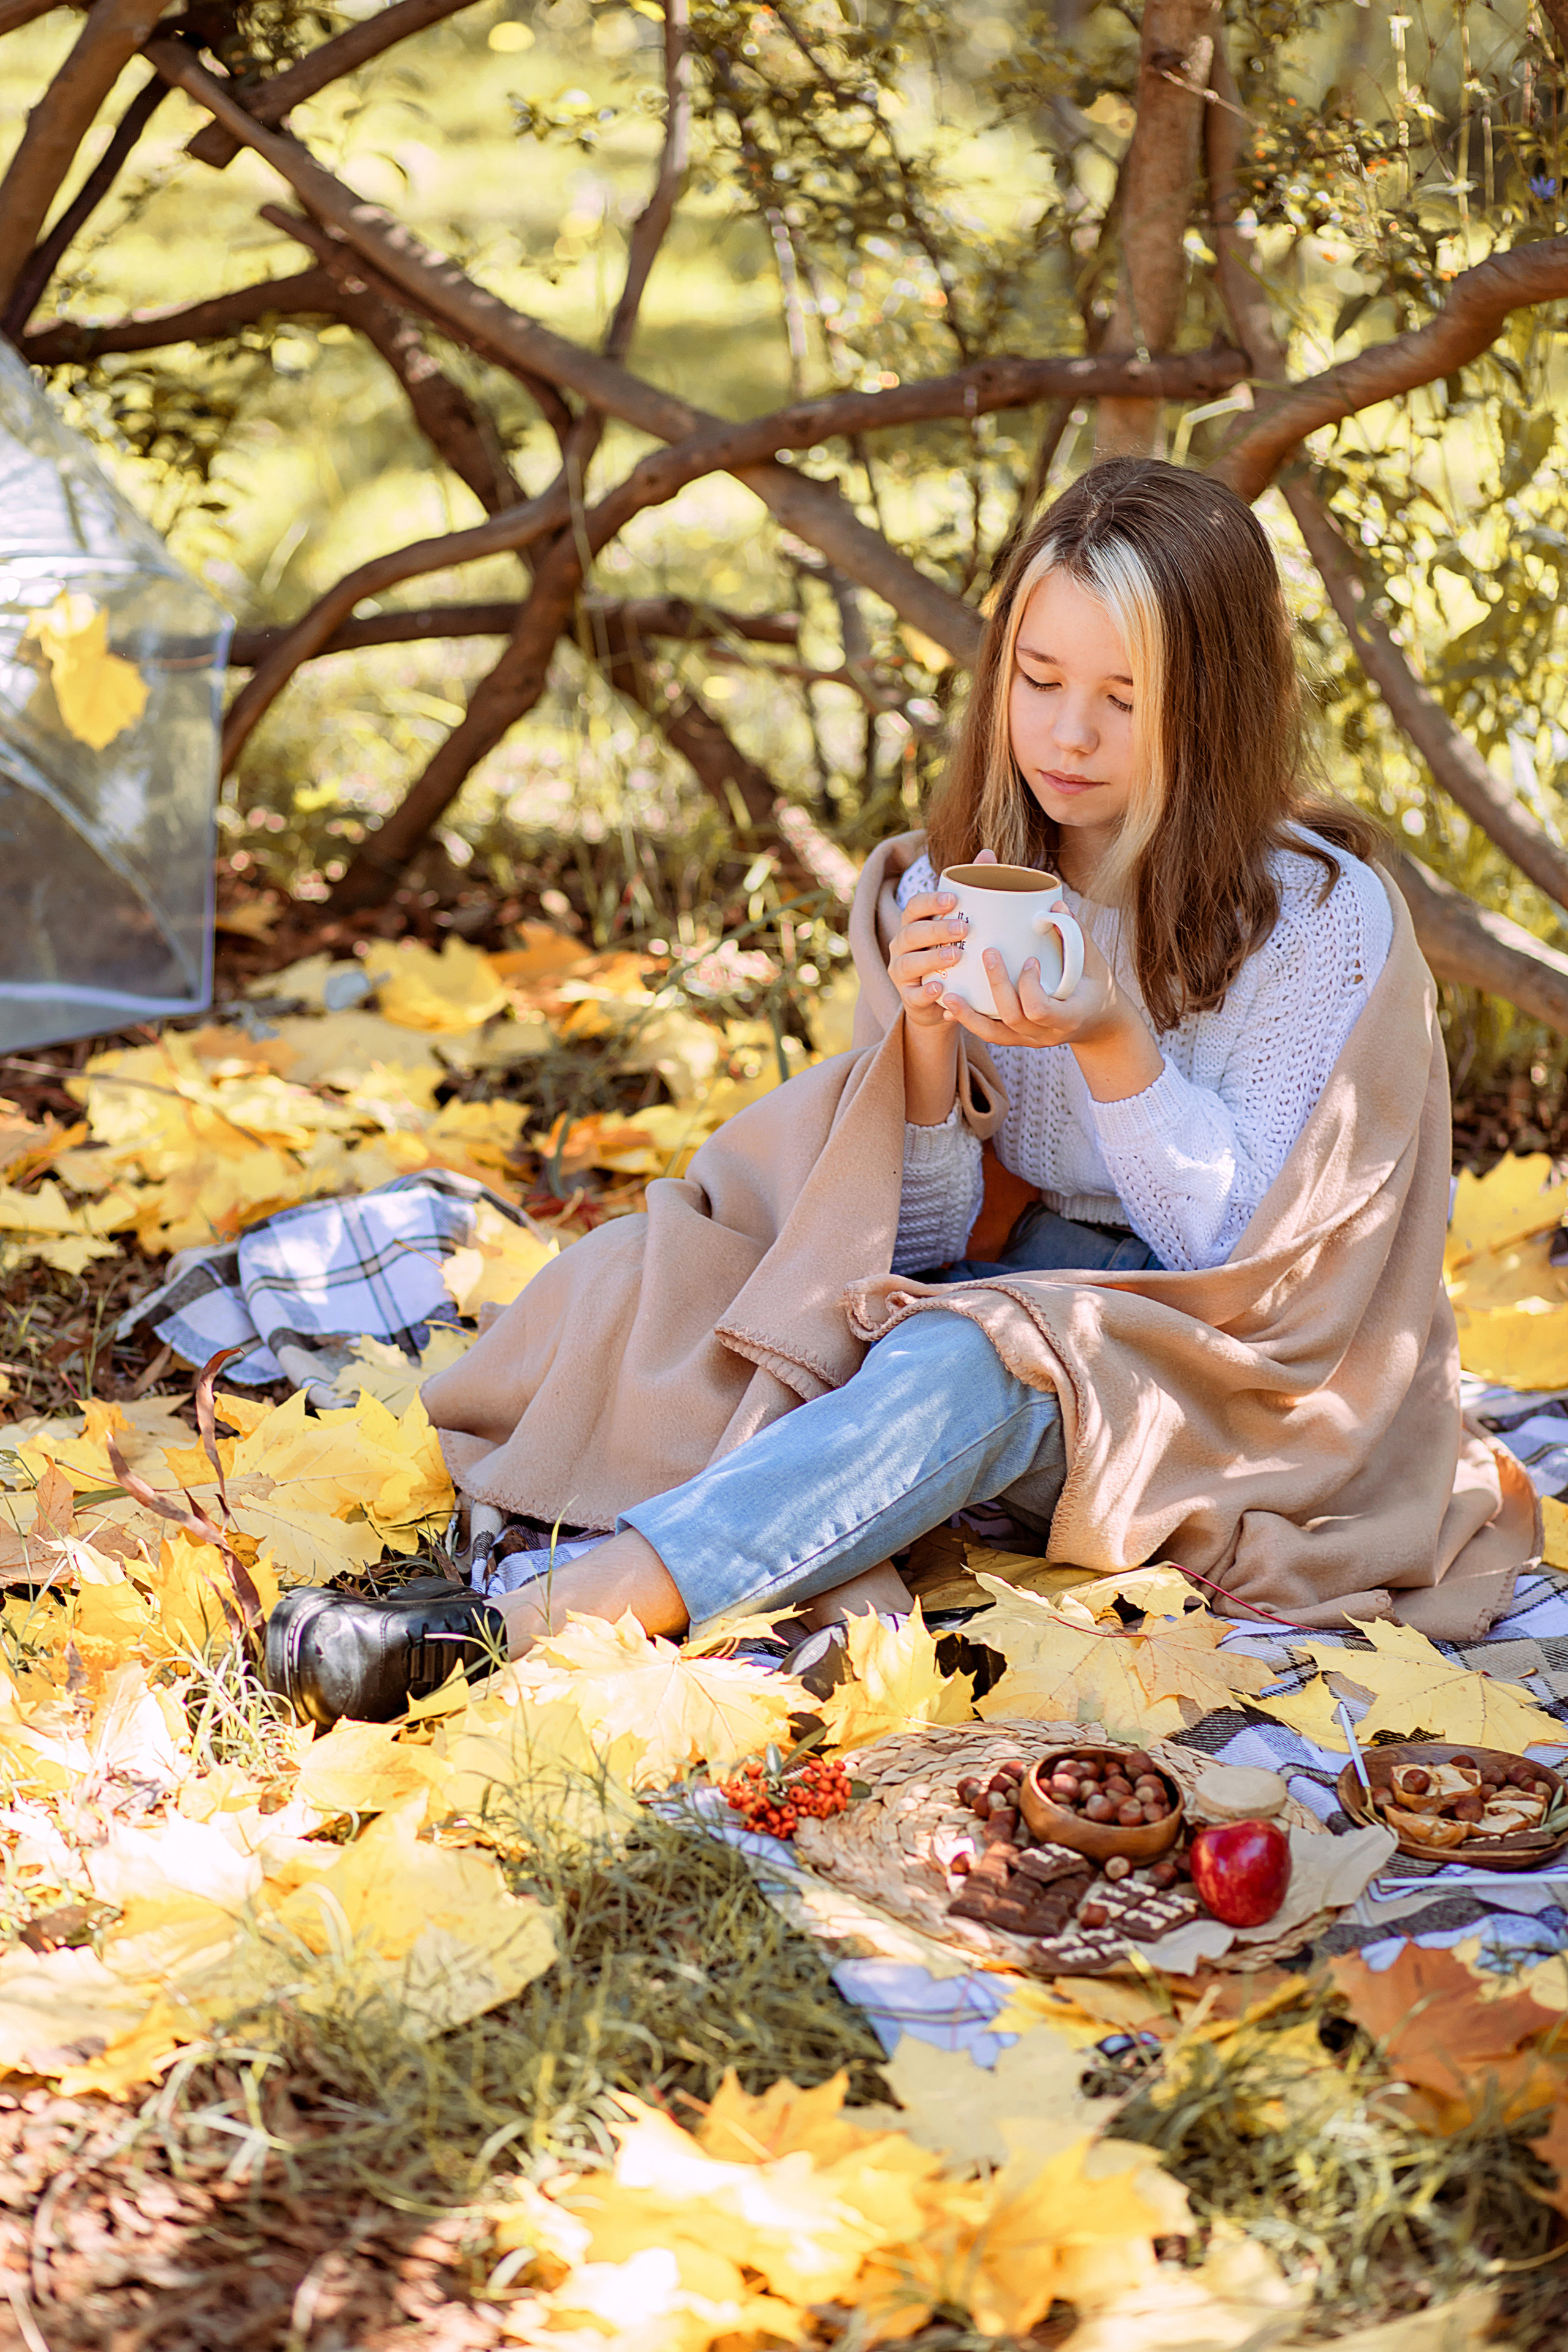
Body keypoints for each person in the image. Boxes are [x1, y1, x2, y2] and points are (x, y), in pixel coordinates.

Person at [264, 458, 1527, 1729]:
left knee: (962, 1359)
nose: (1066, 736)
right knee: (682, 1289)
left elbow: (1240, 1262)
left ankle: (526, 1622)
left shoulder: (1316, 924)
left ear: (1216, 706)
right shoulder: (961, 876)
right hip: (1014, 1286)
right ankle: (848, 1592)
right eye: (1037, 682)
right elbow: (910, 1250)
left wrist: (1107, 1040)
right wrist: (923, 1055)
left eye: (1122, 699)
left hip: (1226, 1382)